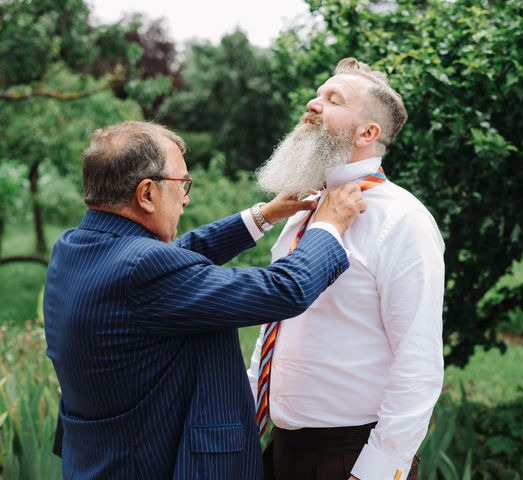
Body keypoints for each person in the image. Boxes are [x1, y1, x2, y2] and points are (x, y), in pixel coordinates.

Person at [43, 120, 366, 479]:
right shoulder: (144, 270)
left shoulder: (74, 247)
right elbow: (282, 289)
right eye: (182, 183)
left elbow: (171, 258)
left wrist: (263, 215)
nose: (186, 198)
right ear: (146, 193)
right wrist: (329, 225)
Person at [248, 58, 445, 480]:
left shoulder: (402, 220)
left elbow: (419, 359)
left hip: (350, 457)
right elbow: (274, 330)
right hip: (279, 450)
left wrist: (376, 469)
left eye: (333, 99)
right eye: (318, 94)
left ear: (367, 132)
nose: (313, 104)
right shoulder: (304, 213)